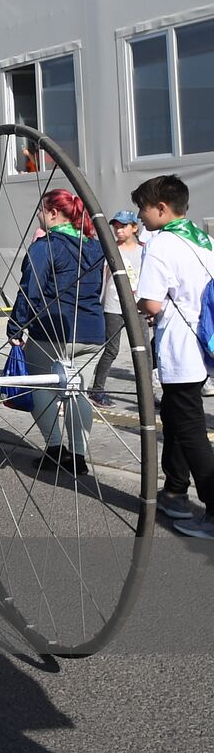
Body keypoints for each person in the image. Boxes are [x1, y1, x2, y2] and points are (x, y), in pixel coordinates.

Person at [131, 175, 214, 536]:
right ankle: (175, 492)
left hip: (179, 345)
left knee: (191, 427)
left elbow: (151, 301)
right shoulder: (203, 239)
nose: (139, 217)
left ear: (161, 208)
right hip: (202, 342)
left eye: (142, 209)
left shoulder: (162, 243)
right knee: (178, 416)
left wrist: (138, 304)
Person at [6, 188, 104, 476]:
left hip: (52, 329)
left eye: (40, 209)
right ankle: (79, 455)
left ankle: (54, 448)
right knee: (78, 391)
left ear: (52, 212)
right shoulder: (94, 246)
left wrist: (15, 327)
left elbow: (31, 291)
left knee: (39, 385)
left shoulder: (45, 246)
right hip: (92, 331)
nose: (37, 214)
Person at [89, 209, 144, 407]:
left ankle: (146, 393)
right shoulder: (110, 250)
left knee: (142, 351)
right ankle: (97, 389)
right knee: (111, 350)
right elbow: (101, 277)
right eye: (116, 227)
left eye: (123, 226)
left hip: (138, 306)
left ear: (134, 227)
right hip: (113, 306)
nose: (118, 230)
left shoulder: (144, 250)